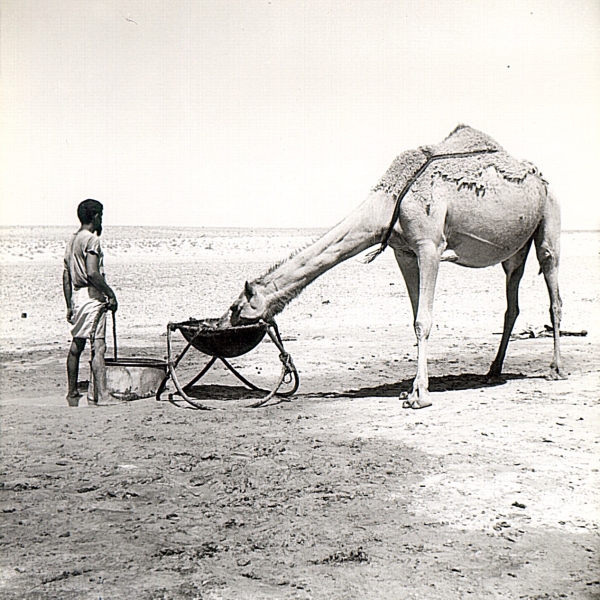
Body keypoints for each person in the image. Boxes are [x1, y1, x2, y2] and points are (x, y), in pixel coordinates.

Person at [63, 199, 118, 406]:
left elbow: (66, 276)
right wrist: (111, 294)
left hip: (78, 297)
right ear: (95, 216)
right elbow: (93, 273)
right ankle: (102, 395)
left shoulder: (72, 240)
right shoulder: (91, 240)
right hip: (92, 297)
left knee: (77, 345)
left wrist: (69, 304)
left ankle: (72, 391)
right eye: (100, 216)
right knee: (99, 346)